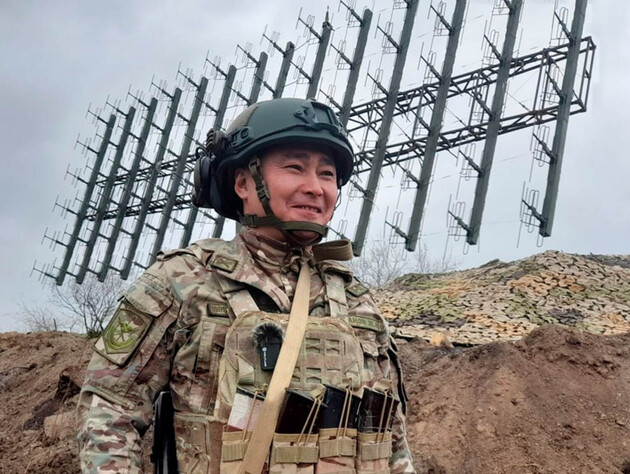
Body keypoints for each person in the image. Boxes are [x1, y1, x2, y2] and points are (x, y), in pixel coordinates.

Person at [76, 97, 415, 473]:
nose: (315, 188)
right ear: (243, 182)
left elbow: (391, 438)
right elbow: (109, 411)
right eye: (295, 168)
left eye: (326, 174)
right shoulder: (184, 280)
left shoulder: (355, 299)